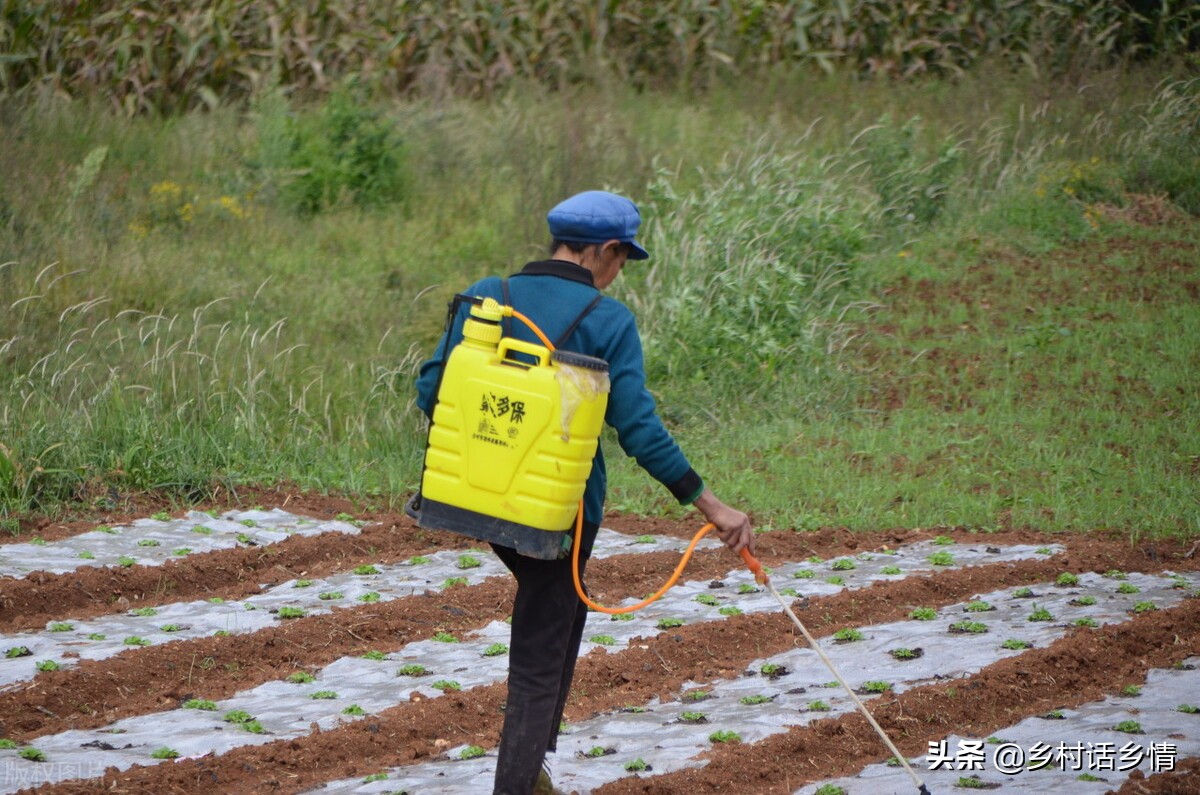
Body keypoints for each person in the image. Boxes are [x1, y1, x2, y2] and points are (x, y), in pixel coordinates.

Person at [414, 190, 754, 795]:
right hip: (559, 514)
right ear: (606, 250)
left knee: (561, 613)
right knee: (541, 652)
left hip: (471, 499)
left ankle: (536, 771)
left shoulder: (490, 294)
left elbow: (431, 390)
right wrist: (713, 506)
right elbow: (640, 431)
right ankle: (518, 783)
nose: (619, 272)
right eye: (623, 259)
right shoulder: (607, 319)